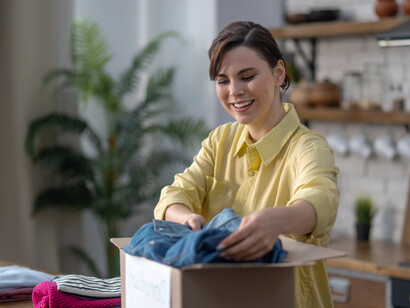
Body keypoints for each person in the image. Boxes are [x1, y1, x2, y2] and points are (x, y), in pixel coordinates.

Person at [154, 21, 339, 307]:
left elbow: (320, 200)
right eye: (223, 80)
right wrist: (185, 219)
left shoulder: (309, 148)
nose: (235, 91)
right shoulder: (220, 141)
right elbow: (175, 195)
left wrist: (275, 221)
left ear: (278, 73)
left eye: (247, 76)